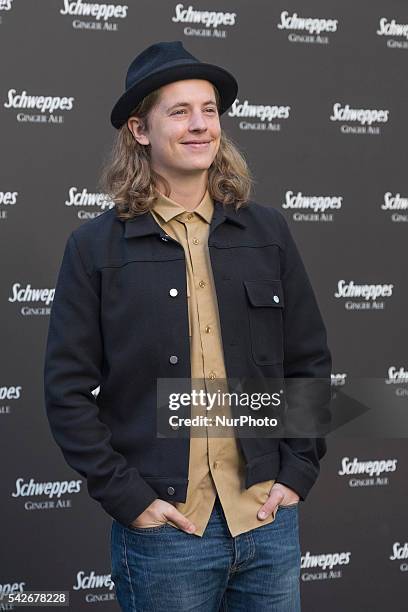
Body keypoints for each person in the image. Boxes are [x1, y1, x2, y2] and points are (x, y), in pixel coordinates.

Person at [43, 40, 332, 611]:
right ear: (139, 130)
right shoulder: (94, 248)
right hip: (167, 535)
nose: (201, 126)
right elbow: (66, 392)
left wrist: (298, 469)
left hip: (265, 525)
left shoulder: (267, 233)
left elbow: (309, 362)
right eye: (179, 112)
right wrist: (129, 498)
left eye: (209, 110)